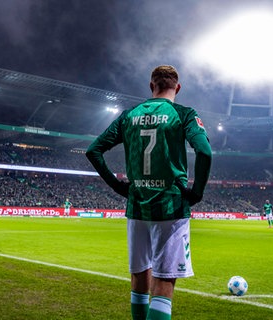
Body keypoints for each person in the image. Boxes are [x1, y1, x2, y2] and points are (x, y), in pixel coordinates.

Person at [86, 65, 212, 320]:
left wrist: (116, 185)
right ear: (177, 87)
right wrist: (196, 192)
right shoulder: (183, 114)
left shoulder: (129, 115)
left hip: (137, 206)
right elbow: (205, 151)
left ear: (151, 86)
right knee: (164, 281)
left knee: (139, 276)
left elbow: (93, 150)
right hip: (171, 207)